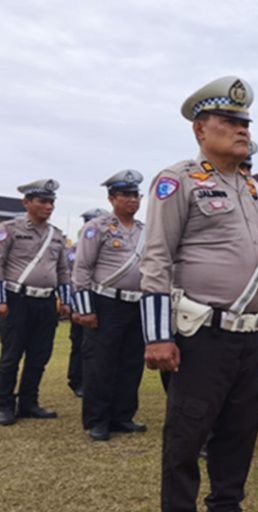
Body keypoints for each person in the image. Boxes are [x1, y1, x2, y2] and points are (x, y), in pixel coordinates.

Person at [139, 76, 258, 512]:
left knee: (239, 434)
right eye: (230, 121)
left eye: (246, 122)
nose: (242, 129)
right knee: (187, 438)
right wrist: (158, 335)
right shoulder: (178, 180)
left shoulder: (253, 188)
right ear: (201, 129)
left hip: (248, 336)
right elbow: (156, 257)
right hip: (200, 334)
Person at [0, 179, 72, 425]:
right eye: (43, 201)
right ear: (27, 202)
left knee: (39, 355)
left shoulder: (55, 235)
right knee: (11, 355)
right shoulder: (9, 228)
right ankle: (5, 405)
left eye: (51, 202)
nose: (49, 206)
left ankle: (29, 402)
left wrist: (66, 301)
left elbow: (63, 270)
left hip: (46, 302)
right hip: (17, 299)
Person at [71, 170, 147, 442]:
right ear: (111, 198)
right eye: (125, 195)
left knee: (131, 362)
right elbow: (82, 269)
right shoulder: (98, 227)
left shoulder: (143, 231)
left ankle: (123, 416)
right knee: (100, 364)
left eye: (135, 195)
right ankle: (98, 420)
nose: (132, 200)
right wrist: (84, 308)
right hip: (105, 303)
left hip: (136, 304)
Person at [68, 207, 108, 398]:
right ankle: (77, 380)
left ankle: (96, 381)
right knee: (80, 344)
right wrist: (75, 306)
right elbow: (71, 279)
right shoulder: (75, 250)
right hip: (81, 301)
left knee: (99, 346)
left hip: (103, 301)